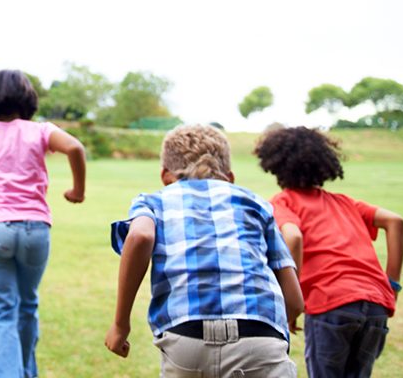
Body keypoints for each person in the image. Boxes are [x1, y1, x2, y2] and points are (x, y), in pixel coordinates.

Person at [105, 124, 304, 378]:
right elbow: (295, 302)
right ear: (230, 177)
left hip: (186, 338)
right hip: (259, 339)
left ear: (165, 176)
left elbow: (140, 235)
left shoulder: (154, 201)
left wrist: (120, 325)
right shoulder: (256, 203)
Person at [254, 126, 403, 378]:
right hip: (377, 305)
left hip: (331, 305)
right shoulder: (346, 203)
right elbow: (395, 222)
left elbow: (293, 236)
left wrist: (292, 303)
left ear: (274, 166)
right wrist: (392, 285)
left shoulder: (284, 202)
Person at [0, 69, 87, 378]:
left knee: (2, 311)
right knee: (28, 305)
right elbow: (75, 147)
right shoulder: (41, 131)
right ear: (27, 98)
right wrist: (77, 191)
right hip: (35, 230)